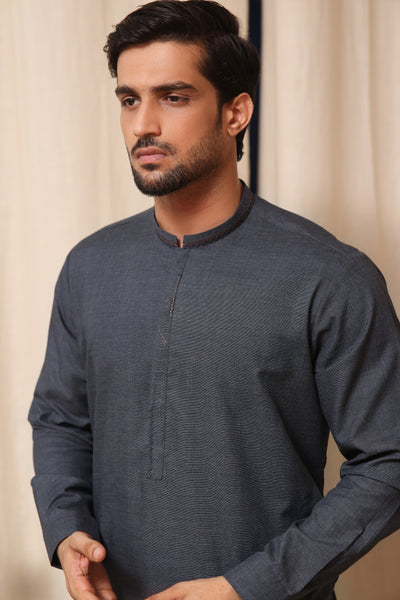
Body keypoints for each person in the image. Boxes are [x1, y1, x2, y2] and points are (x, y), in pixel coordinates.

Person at [28, 2, 400, 600]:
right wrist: (66, 527)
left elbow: (390, 462)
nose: (143, 124)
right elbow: (60, 418)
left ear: (235, 112)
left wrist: (245, 587)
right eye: (129, 100)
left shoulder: (330, 275)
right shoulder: (88, 266)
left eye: (173, 97)